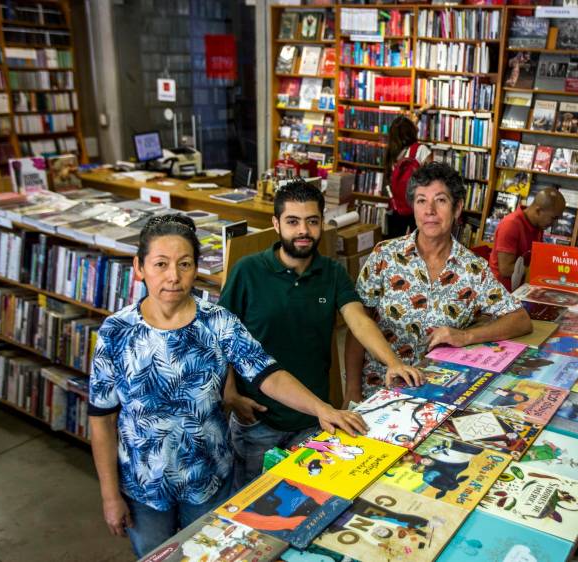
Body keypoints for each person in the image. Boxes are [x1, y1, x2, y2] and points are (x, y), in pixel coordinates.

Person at [88, 214, 367, 558]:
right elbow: (101, 419)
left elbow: (268, 374)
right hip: (144, 489)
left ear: (196, 268)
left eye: (184, 264)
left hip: (210, 481)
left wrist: (321, 408)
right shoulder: (116, 332)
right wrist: (109, 495)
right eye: (160, 264)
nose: (173, 277)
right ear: (139, 267)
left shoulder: (218, 322)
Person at [219, 179, 422, 489]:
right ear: (276, 224)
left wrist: (392, 361)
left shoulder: (333, 272)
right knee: (253, 502)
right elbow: (220, 340)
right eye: (293, 221)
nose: (303, 230)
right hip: (258, 422)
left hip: (314, 418)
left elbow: (359, 320)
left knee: (310, 498)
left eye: (312, 221)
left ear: (321, 223)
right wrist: (231, 396)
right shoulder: (247, 271)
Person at [345, 162, 532, 399]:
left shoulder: (473, 269)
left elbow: (520, 320)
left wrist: (465, 336)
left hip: (439, 394)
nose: (429, 210)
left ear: (457, 209)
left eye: (441, 200)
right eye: (421, 200)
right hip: (380, 389)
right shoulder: (384, 256)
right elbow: (357, 325)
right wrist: (352, 392)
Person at [488, 187, 566, 291]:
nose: (554, 224)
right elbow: (505, 269)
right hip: (501, 293)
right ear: (538, 211)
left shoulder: (538, 225)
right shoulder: (510, 225)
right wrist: (540, 271)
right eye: (553, 218)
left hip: (522, 287)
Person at [384, 114, 432, 238]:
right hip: (419, 209)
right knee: (420, 246)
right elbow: (434, 179)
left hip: (397, 208)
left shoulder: (391, 153)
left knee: (396, 246)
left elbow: (388, 179)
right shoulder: (421, 150)